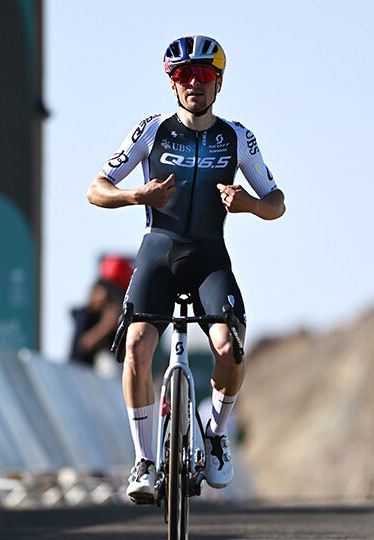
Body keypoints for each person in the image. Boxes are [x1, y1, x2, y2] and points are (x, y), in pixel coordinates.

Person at [87, 35, 285, 504]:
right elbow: (96, 188)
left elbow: (278, 203)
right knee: (136, 345)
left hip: (209, 257)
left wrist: (250, 205)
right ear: (172, 84)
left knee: (228, 348)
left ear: (218, 82)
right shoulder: (152, 130)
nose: (193, 83)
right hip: (159, 251)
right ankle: (144, 461)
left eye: (203, 75)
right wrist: (136, 196)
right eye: (183, 75)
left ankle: (215, 433)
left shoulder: (237, 136)